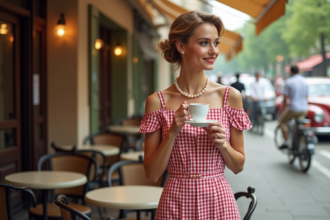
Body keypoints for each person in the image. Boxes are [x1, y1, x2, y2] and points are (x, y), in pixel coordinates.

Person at [139, 11, 251, 219]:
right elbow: (152, 174)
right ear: (181, 46)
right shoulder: (157, 102)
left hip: (219, 201)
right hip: (175, 202)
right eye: (204, 43)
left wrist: (223, 144)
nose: (214, 51)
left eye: (215, 43)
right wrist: (172, 132)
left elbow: (238, 166)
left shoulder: (230, 97)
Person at [278, 66, 308, 149]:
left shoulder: (289, 82)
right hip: (303, 108)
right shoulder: (304, 81)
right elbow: (306, 96)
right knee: (299, 126)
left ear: (291, 72)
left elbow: (285, 99)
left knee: (282, 121)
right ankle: (299, 142)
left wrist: (283, 110)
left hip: (293, 108)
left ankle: (286, 142)